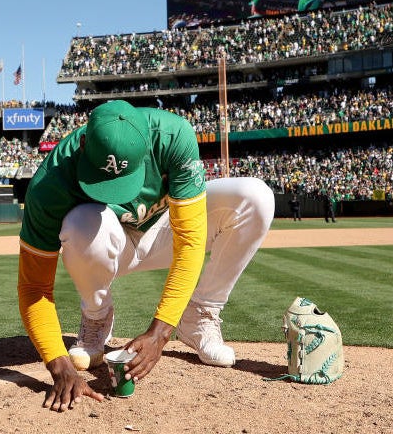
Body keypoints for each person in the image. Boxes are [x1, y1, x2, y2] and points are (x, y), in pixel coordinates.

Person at [17, 100, 275, 412]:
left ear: (147, 148)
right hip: (107, 241)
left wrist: (161, 331)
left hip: (166, 228)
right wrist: (59, 365)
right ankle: (96, 317)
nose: (116, 191)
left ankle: (200, 314)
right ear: (83, 142)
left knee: (255, 197)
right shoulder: (50, 182)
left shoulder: (172, 136)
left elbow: (191, 243)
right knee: (79, 223)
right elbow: (34, 289)